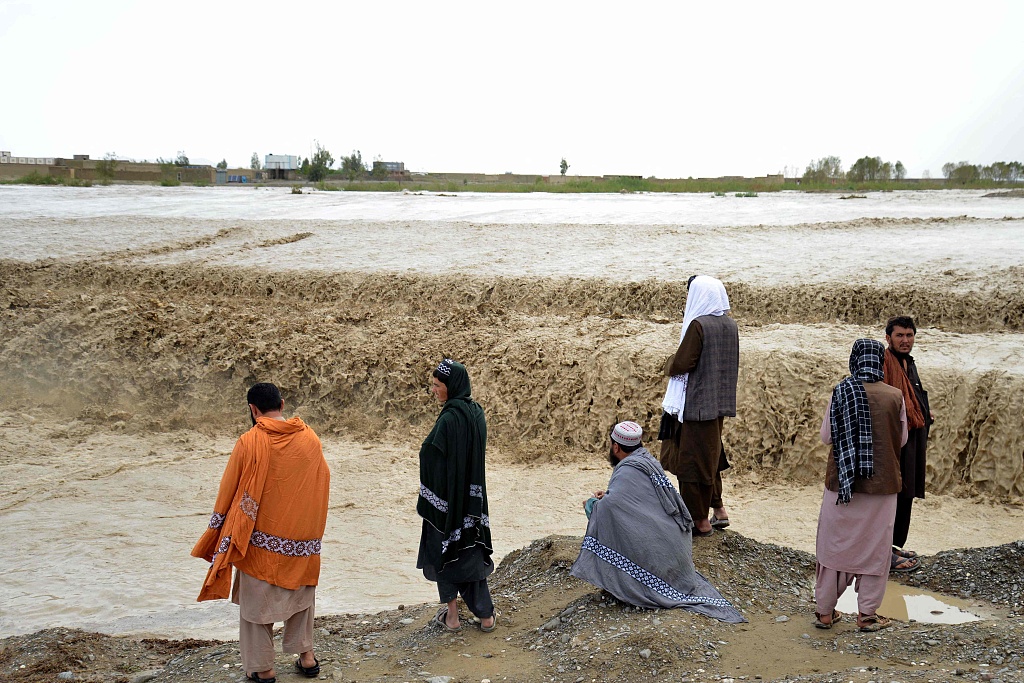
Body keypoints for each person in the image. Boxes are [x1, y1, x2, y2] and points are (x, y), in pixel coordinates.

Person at [192, 383, 331, 683]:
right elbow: (321, 484)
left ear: (253, 410)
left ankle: (264, 669)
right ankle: (307, 658)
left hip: (259, 540)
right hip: (302, 539)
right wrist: (311, 533)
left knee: (256, 604)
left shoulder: (249, 441)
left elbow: (229, 491)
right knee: (301, 597)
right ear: (282, 404)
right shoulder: (310, 438)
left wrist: (217, 532)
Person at [571, 421, 745, 622]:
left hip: (660, 563)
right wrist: (610, 496)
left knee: (600, 513)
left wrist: (592, 503)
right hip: (678, 554)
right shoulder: (647, 461)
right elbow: (637, 502)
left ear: (616, 447)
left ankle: (627, 580)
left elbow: (611, 510)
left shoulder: (628, 469)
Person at [814, 340, 907, 632]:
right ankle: (867, 616)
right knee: (875, 549)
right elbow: (901, 440)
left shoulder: (841, 390)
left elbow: (826, 436)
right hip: (881, 487)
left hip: (843, 485)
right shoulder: (895, 396)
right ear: (881, 362)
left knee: (834, 547)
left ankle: (825, 613)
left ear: (854, 359)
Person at [417, 358, 496, 632]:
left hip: (448, 501)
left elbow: (429, 452)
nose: (434, 390)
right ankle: (485, 616)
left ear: (451, 386)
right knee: (471, 553)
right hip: (473, 502)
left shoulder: (450, 417)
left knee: (444, 550)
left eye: (437, 386)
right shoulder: (477, 412)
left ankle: (452, 618)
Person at [658, 275, 739, 536]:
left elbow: (682, 363)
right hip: (717, 404)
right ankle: (718, 509)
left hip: (695, 406)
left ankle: (699, 523)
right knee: (711, 457)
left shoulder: (699, 325)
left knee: (691, 464)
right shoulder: (730, 325)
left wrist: (667, 362)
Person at [883, 315, 932, 573]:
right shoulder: (885, 362)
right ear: (888, 338)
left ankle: (893, 546)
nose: (905, 340)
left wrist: (925, 412)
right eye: (900, 335)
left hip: (912, 437)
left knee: (907, 493)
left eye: (909, 335)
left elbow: (913, 397)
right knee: (895, 493)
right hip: (896, 440)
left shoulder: (908, 363)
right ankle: (884, 553)